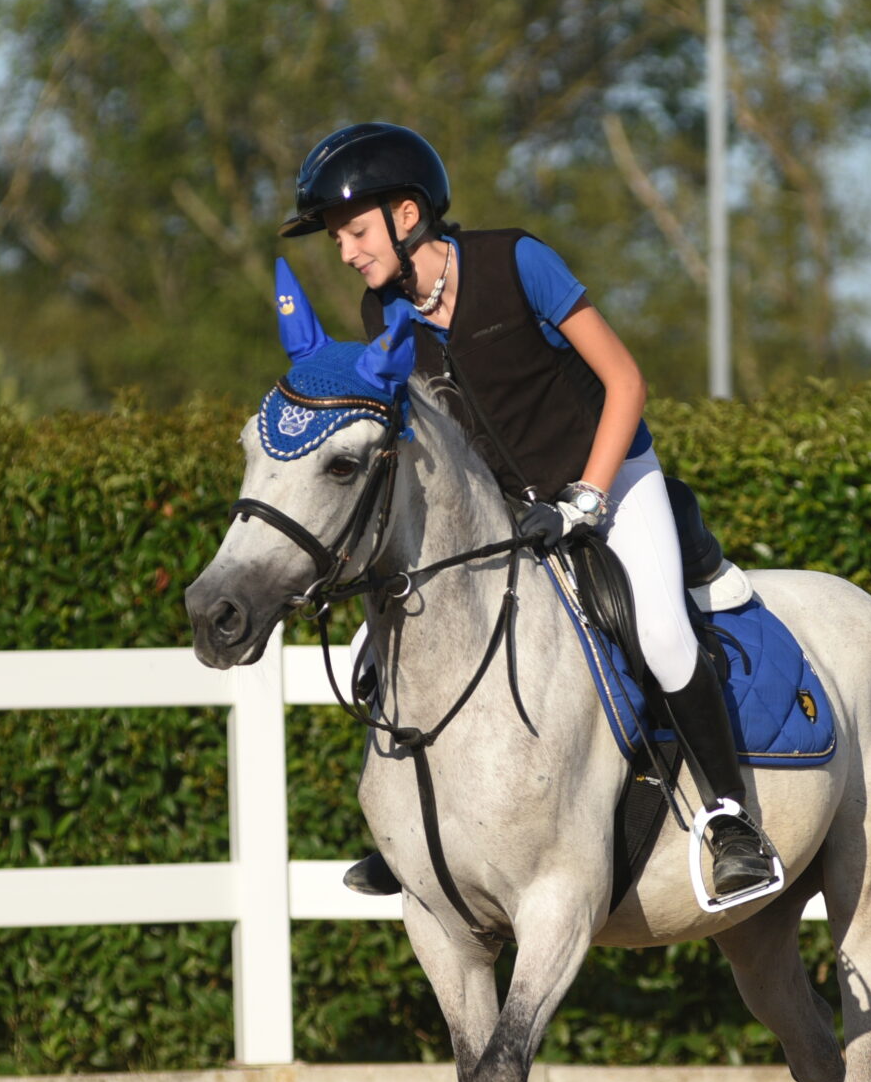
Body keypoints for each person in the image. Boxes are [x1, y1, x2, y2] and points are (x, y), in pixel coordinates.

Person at [278, 121, 783, 907]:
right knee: (385, 647)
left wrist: (586, 498)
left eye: (353, 231)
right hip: (512, 508)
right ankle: (419, 828)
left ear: (407, 216)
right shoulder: (383, 312)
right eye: (340, 238)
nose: (345, 251)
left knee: (658, 627)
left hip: (612, 477)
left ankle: (731, 820)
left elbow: (625, 382)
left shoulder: (520, 263)